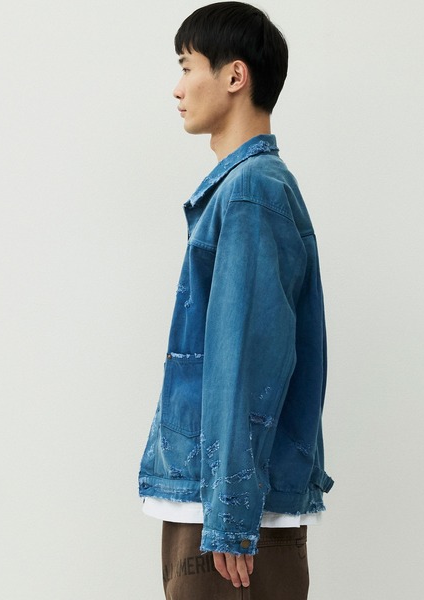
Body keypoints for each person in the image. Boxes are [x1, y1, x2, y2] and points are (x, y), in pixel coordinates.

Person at [139, 2, 333, 598]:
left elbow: (244, 364)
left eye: (186, 66)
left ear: (234, 76)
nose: (177, 88)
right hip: (222, 501)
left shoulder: (250, 193)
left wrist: (229, 515)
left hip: (225, 515)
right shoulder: (246, 189)